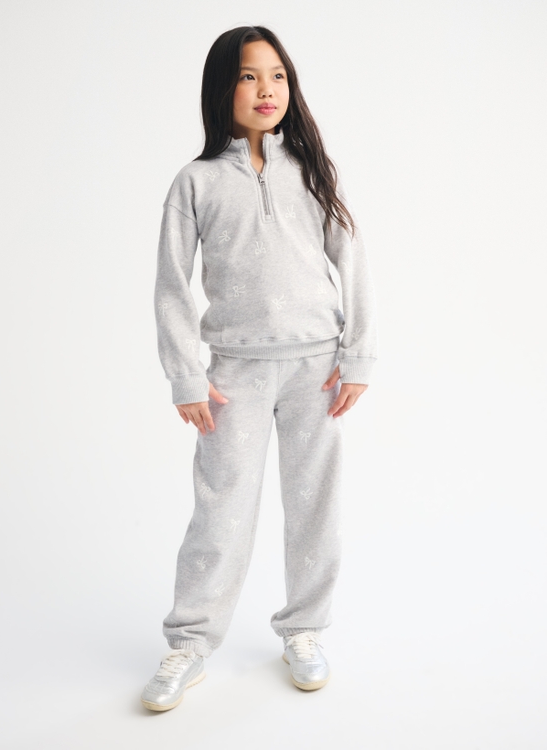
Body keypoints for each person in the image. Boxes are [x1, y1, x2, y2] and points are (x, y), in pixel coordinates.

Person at [142, 24, 378, 712]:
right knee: (221, 512)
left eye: (277, 75)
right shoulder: (195, 182)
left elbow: (353, 261)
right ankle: (190, 642)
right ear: (224, 87)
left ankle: (304, 630)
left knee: (315, 507)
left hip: (317, 371)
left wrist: (359, 354)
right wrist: (186, 376)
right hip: (233, 376)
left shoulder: (313, 171)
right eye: (249, 75)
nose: (266, 89)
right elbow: (171, 286)